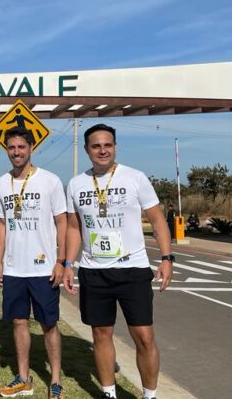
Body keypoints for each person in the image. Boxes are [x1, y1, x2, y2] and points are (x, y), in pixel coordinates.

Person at [63, 124, 173, 399]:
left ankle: (150, 394)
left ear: (115, 146)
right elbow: (74, 228)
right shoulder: (76, 184)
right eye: (96, 146)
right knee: (101, 334)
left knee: (144, 337)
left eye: (108, 144)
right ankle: (109, 392)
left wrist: (167, 257)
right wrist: (67, 264)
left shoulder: (135, 178)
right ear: (87, 149)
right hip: (93, 270)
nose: (103, 150)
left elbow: (157, 219)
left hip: (132, 268)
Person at [0, 127, 67, 399]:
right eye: (11, 148)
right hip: (14, 267)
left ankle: (56, 380)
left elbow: (62, 222)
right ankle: (24, 378)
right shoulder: (1, 183)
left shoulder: (50, 181)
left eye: (21, 147)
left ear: (31, 148)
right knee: (18, 322)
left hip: (43, 267)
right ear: (6, 150)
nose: (16, 152)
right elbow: (1, 224)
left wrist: (61, 261)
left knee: (49, 324)